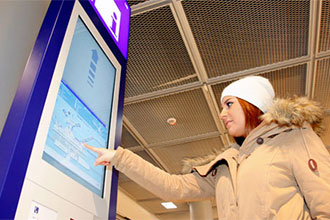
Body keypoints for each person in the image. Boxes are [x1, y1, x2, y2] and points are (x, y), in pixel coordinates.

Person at [85, 76, 330, 220]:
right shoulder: (228, 164)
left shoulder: (295, 137)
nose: (222, 114)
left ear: (251, 104)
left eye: (229, 104)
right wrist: (120, 158)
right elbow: (174, 187)